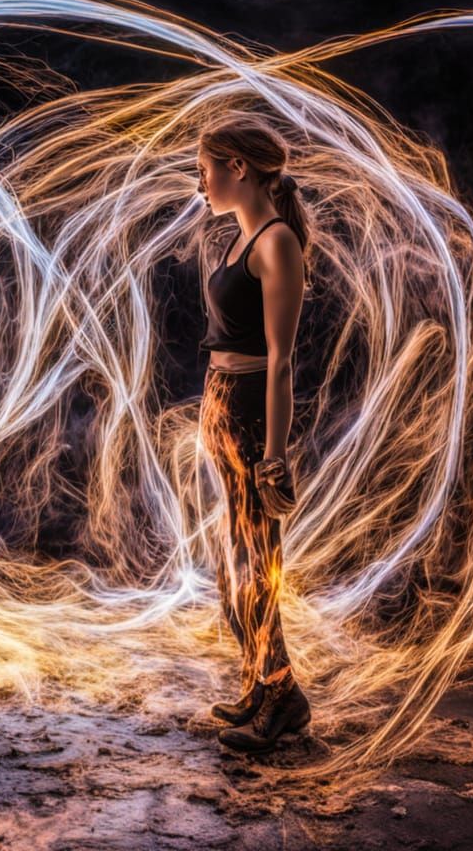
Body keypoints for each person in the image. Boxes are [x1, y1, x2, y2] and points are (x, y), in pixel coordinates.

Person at [194, 114, 312, 753]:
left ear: (239, 167)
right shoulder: (237, 242)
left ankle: (283, 697)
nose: (202, 182)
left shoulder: (275, 244)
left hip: (246, 410)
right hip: (220, 407)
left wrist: (273, 459)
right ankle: (261, 682)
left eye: (207, 167)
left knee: (256, 561)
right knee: (232, 565)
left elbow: (280, 360)